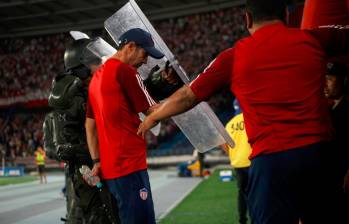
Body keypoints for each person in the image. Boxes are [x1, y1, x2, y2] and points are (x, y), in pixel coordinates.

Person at [137, 0, 349, 223]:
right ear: (286, 14)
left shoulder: (234, 56)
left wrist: (155, 115)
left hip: (271, 162)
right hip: (318, 157)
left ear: (247, 19)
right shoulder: (314, 39)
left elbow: (188, 95)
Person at [85, 28, 165, 224]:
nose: (146, 60)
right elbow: (153, 112)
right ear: (130, 47)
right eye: (145, 53)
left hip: (111, 170)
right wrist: (182, 93)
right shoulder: (126, 71)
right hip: (130, 166)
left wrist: (96, 161)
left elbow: (90, 125)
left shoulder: (95, 79)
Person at [43, 38, 118, 224]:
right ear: (83, 65)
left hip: (99, 174)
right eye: (95, 61)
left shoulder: (90, 94)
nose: (100, 65)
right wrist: (96, 152)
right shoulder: (70, 101)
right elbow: (58, 149)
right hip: (85, 180)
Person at [324, 61, 349, 222]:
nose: (324, 84)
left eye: (329, 79)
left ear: (343, 80)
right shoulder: (324, 109)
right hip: (327, 179)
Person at [221, 99, 251, 224]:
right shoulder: (251, 119)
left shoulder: (230, 124)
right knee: (256, 193)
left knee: (241, 194)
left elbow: (223, 143)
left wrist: (232, 154)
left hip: (237, 163)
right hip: (252, 161)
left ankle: (242, 220)